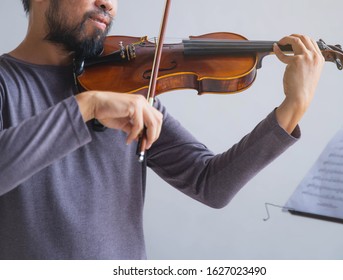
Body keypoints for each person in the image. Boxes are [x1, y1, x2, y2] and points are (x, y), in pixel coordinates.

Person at [0, 0, 324, 259]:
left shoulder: (126, 88)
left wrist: (293, 108)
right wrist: (87, 107)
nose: (108, 5)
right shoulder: (7, 83)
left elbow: (209, 183)